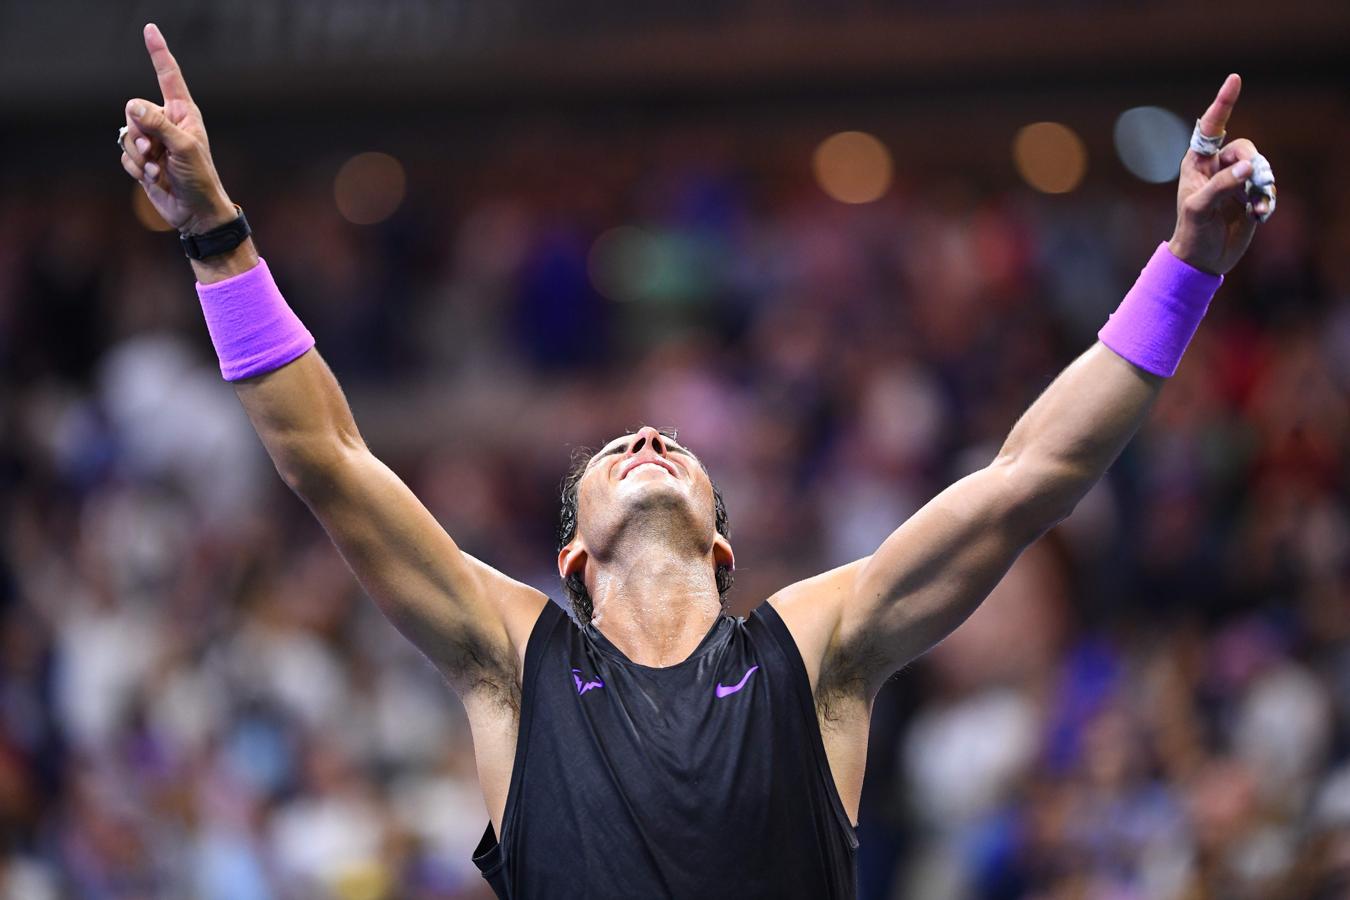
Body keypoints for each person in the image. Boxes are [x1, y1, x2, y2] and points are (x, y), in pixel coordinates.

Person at [116, 22, 1275, 900]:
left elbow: (1030, 479)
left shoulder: (813, 658)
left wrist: (1187, 267)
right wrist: (213, 230)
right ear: (571, 551)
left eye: (671, 445)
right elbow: (325, 456)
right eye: (616, 449)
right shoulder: (515, 666)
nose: (650, 438)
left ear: (724, 544)